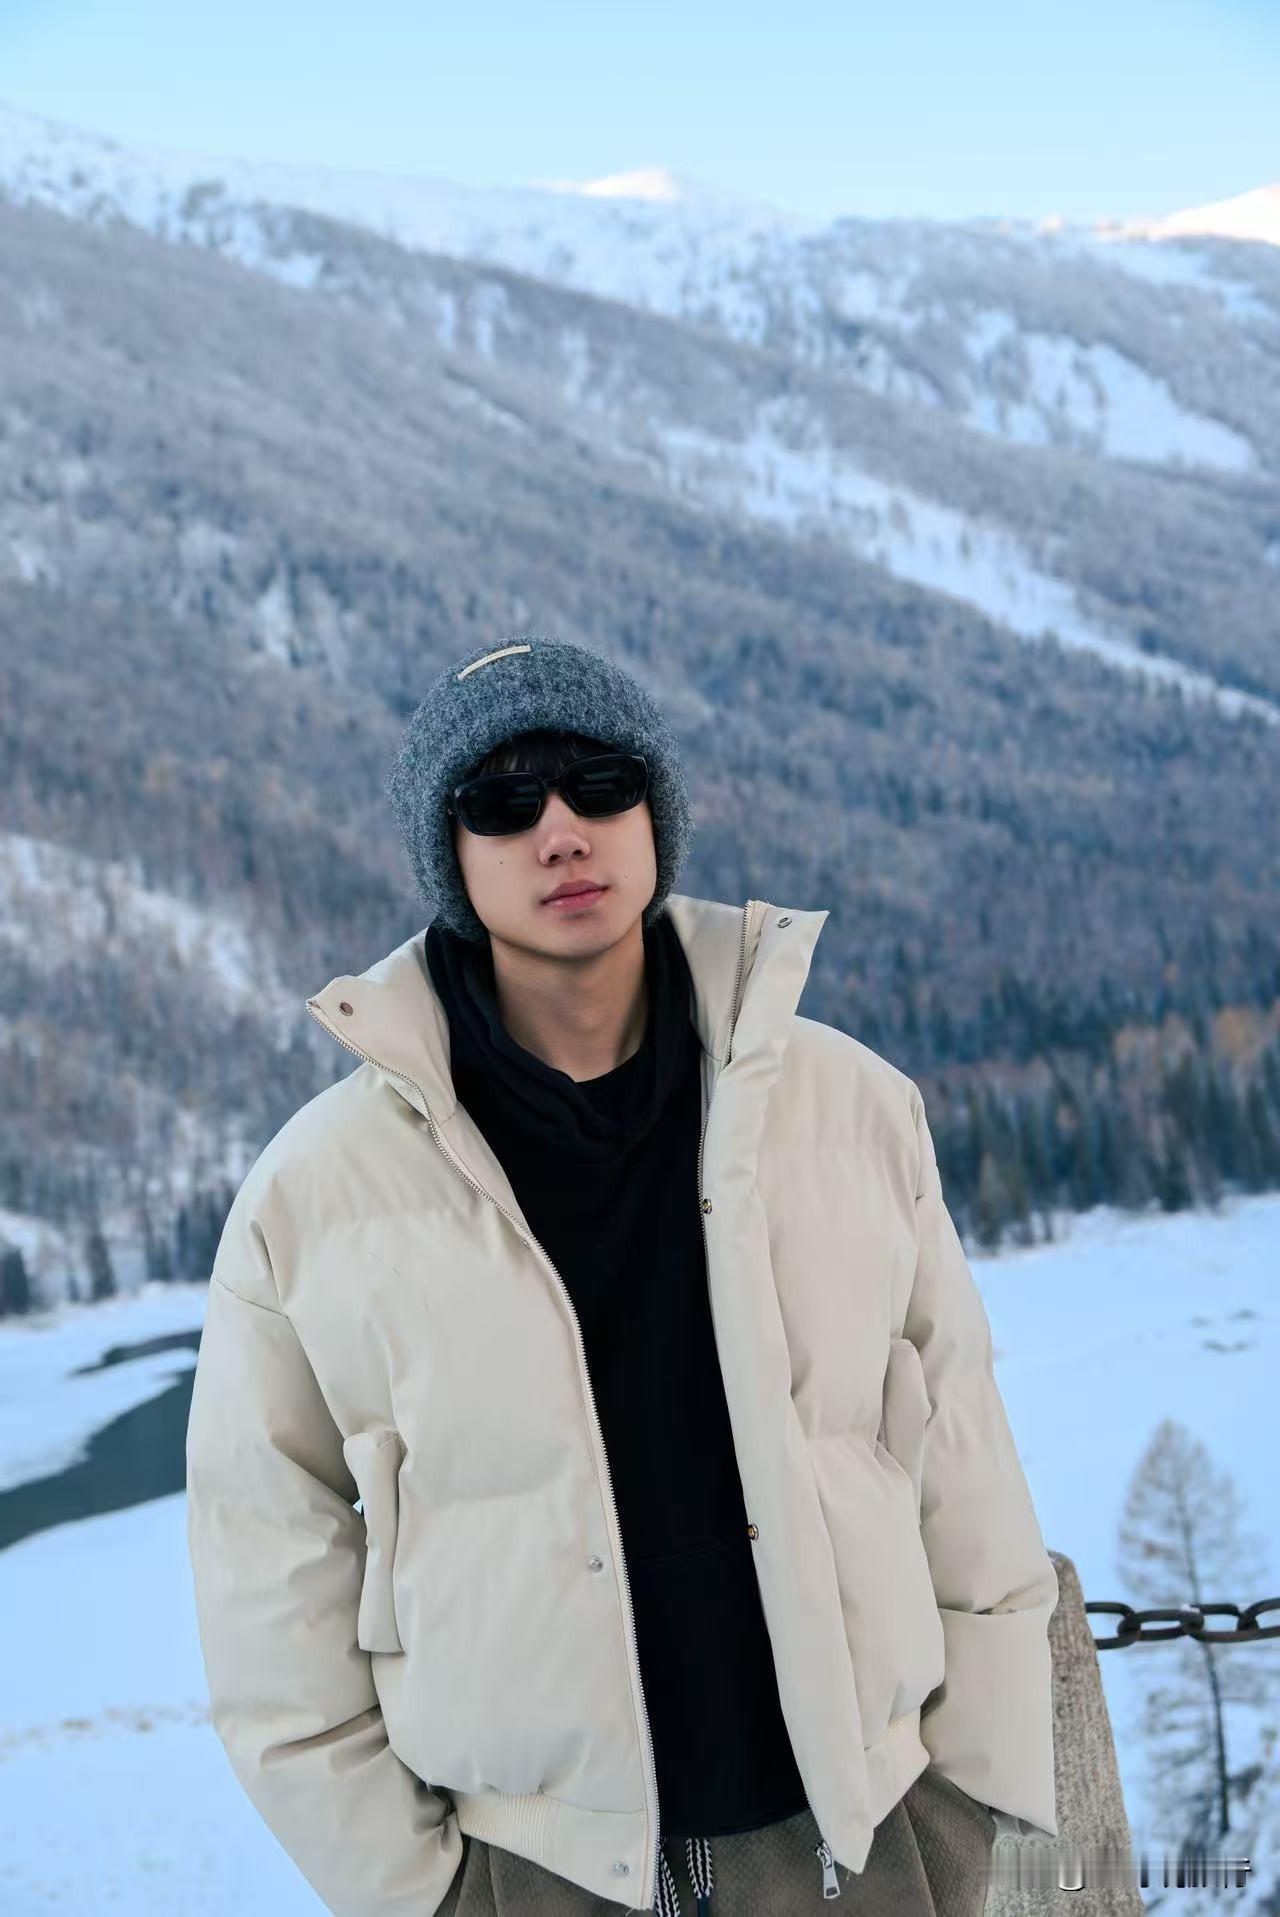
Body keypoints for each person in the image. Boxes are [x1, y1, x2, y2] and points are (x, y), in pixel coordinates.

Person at [185, 634, 1058, 1917]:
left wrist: (969, 1798)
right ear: (448, 856)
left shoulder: (848, 1108)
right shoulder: (317, 1195)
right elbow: (267, 1570)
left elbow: (962, 1461)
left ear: (656, 818)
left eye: (600, 782)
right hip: (530, 1871)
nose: (560, 831)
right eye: (501, 801)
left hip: (858, 1841)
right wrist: (425, 1894)